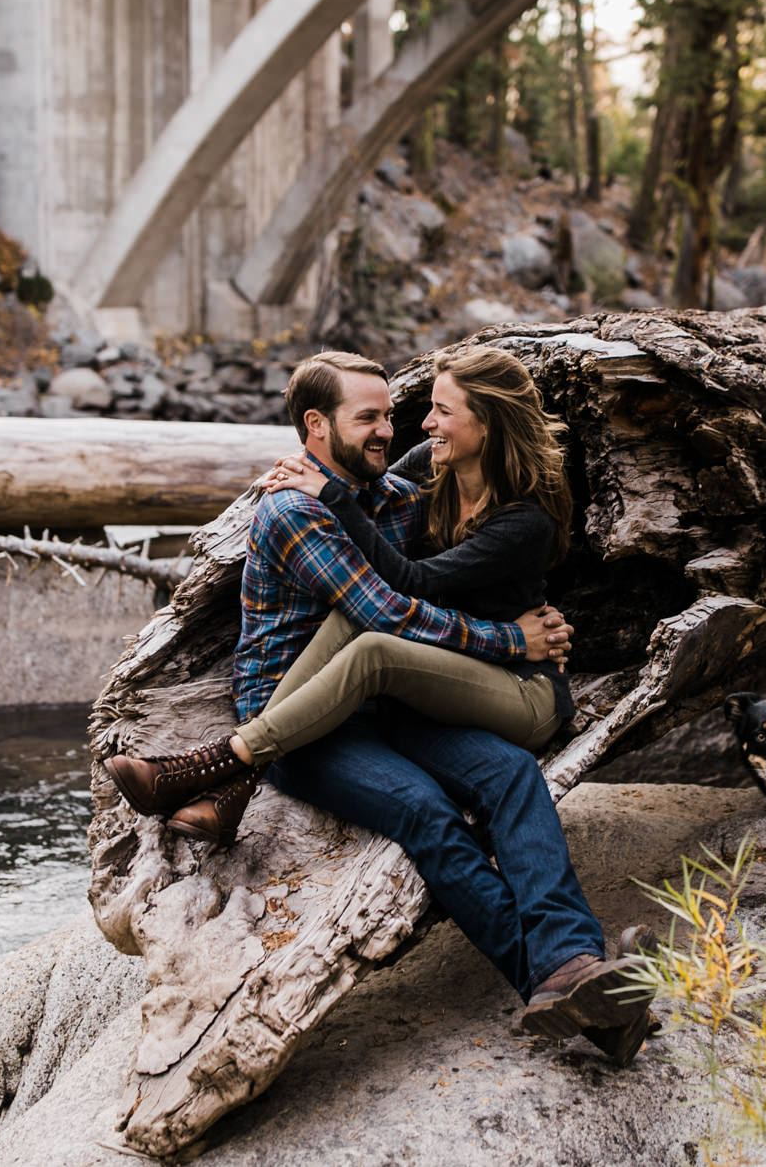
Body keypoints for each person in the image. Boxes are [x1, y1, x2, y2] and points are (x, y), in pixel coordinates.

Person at [104, 349, 651, 1054]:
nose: (391, 430)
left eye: (392, 414)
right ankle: (551, 976)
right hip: (303, 725)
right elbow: (388, 610)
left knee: (510, 773)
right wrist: (512, 640)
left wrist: (532, 625)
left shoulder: (396, 493)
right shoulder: (296, 509)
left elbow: (433, 571)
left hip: (386, 703)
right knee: (424, 808)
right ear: (315, 426)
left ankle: (574, 963)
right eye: (369, 417)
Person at [107, 346, 575, 842]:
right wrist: (316, 486)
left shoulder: (514, 519)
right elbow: (386, 555)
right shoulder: (393, 483)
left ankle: (217, 771)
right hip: (336, 689)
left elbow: (413, 582)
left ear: (488, 424)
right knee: (359, 617)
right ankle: (229, 778)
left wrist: (333, 493)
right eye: (372, 416)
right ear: (317, 424)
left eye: (437, 411)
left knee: (368, 631)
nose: (415, 427)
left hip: (477, 683)